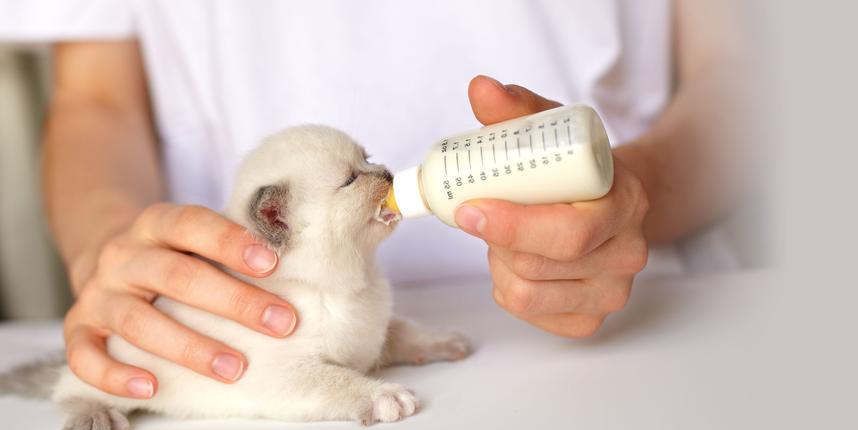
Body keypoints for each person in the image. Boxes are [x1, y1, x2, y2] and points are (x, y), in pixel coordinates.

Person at [11, 0, 747, 399]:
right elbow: (97, 104)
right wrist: (110, 248)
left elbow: (751, 75)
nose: (380, 173)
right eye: (353, 174)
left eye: (367, 164)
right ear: (274, 220)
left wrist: (639, 188)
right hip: (228, 339)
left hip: (648, 325)